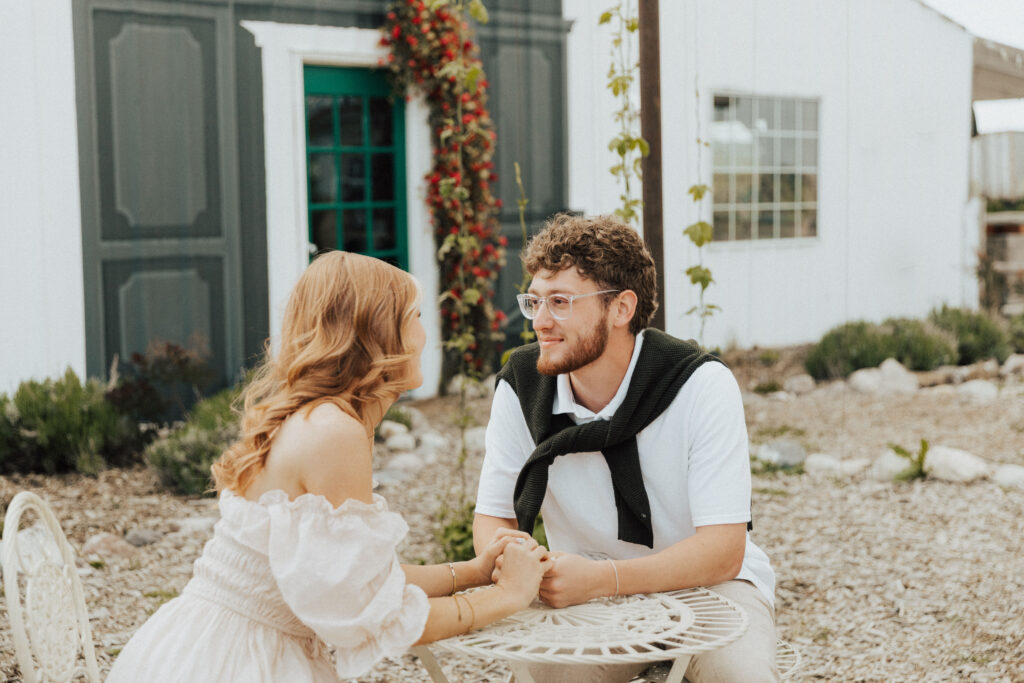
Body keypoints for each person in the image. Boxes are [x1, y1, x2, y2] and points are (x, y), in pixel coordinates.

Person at [108, 251, 550, 682]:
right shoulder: (333, 432)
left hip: (202, 642)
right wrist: (508, 594)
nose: (424, 332)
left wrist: (473, 571)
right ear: (377, 332)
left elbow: (356, 582)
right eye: (414, 316)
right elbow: (378, 616)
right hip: (234, 662)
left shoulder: (323, 418)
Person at [473, 214, 778, 683]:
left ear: (621, 309)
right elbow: (494, 516)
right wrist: (517, 562)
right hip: (583, 592)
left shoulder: (699, 384)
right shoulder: (522, 386)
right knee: (546, 675)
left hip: (712, 586)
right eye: (534, 301)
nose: (540, 321)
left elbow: (723, 550)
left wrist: (605, 579)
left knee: (741, 677)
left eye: (560, 302)